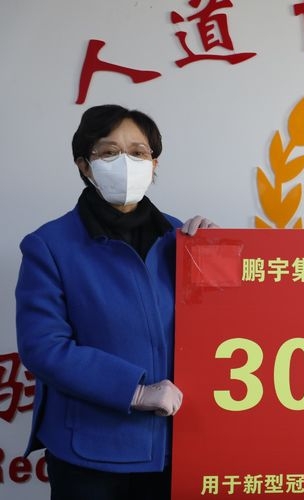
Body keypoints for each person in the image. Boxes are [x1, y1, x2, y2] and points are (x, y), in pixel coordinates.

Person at [15, 104, 217, 500]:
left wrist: (217, 254)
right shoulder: (49, 245)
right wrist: (134, 391)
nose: (126, 162)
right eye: (109, 152)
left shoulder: (181, 239)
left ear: (154, 165)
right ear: (85, 165)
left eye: (138, 152)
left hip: (176, 444)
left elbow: (217, 327)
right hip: (90, 451)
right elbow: (43, 347)